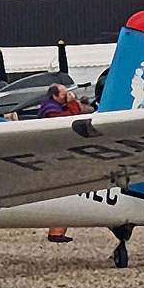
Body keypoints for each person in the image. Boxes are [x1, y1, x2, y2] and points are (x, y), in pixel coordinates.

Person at [37, 85, 84, 243]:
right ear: (55, 96)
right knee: (64, 192)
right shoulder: (50, 109)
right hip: (55, 158)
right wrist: (72, 103)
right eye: (64, 94)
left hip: (61, 156)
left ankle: (57, 231)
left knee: (66, 192)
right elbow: (69, 123)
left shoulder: (55, 107)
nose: (68, 96)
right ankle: (56, 231)